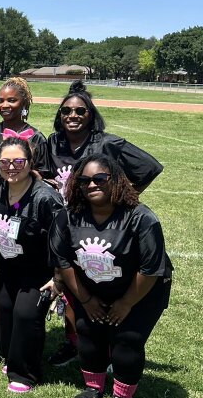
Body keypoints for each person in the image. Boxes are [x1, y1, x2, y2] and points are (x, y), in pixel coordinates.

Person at [42, 79, 163, 367]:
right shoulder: (53, 141)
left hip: (101, 226)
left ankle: (110, 348)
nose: (72, 116)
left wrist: (122, 198)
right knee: (71, 287)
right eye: (66, 111)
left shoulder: (106, 143)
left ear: (91, 115)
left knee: (103, 282)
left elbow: (150, 167)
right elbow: (48, 175)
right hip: (67, 226)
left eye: (80, 111)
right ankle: (76, 343)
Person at [50, 155, 172, 398]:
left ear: (115, 180)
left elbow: (151, 268)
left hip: (141, 290)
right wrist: (85, 299)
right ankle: (93, 386)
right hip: (90, 288)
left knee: (126, 338)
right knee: (88, 331)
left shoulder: (140, 217)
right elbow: (62, 262)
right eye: (83, 180)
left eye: (100, 179)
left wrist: (126, 302)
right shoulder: (67, 216)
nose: (91, 184)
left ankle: (121, 396)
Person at [0, 137, 63, 393]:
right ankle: (12, 359)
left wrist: (58, 278)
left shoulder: (46, 198)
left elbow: (62, 240)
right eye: (5, 162)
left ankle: (25, 373)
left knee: (26, 314)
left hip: (38, 271)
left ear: (30, 163)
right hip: (8, 266)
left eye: (18, 161)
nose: (11, 167)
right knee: (6, 310)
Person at [0, 77, 46, 168]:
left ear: (23, 104)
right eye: (0, 101)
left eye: (11, 100)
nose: (4, 105)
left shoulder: (36, 138)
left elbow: (42, 174)